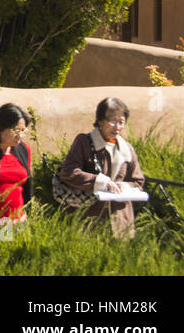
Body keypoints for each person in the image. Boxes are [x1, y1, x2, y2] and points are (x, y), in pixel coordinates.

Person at [58, 97, 145, 239]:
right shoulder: (84, 142)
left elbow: (138, 182)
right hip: (87, 220)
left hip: (120, 224)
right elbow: (68, 172)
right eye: (112, 121)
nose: (117, 127)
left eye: (121, 122)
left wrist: (123, 186)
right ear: (100, 120)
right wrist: (101, 182)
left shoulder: (127, 149)